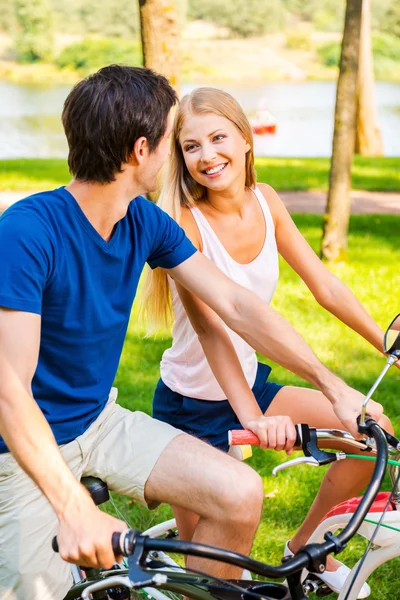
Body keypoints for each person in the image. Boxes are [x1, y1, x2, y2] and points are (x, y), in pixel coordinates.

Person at [143, 87, 394, 598]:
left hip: (252, 388)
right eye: (192, 147)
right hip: (192, 406)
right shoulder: (183, 226)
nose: (208, 156)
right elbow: (214, 329)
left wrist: (385, 341)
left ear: (245, 139)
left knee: (375, 435)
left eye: (218, 138)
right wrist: (251, 419)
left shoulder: (266, 201)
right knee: (209, 581)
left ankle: (307, 555)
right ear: (181, 158)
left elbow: (323, 285)